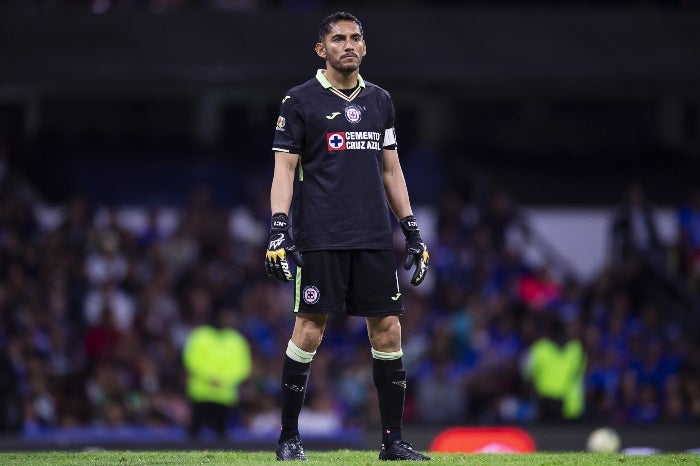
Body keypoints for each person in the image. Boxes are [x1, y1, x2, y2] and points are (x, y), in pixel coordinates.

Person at [264, 11, 431, 461]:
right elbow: (284, 170)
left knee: (389, 332)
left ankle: (392, 440)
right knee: (308, 331)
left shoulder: (380, 101)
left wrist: (411, 230)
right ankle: (288, 437)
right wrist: (279, 228)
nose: (349, 45)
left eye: (356, 37)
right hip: (320, 235)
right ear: (322, 49)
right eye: (338, 39)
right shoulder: (298, 101)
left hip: (375, 236)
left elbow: (391, 169)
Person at [182, 308, 252, 439]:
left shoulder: (237, 340)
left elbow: (242, 367)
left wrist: (223, 380)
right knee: (194, 434)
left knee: (222, 435)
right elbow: (191, 359)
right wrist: (209, 377)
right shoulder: (200, 335)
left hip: (224, 396)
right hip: (201, 393)